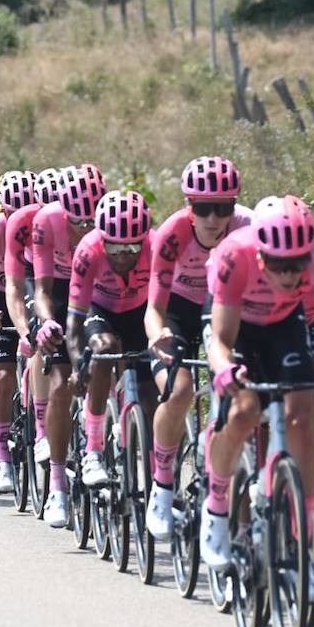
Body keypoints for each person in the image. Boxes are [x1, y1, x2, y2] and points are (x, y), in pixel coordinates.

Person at [202, 195, 314, 602]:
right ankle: (217, 509)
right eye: (279, 265)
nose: (290, 275)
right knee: (244, 410)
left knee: (301, 416)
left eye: (297, 264)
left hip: (284, 324)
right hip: (235, 324)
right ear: (261, 256)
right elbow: (219, 340)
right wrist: (224, 369)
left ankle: (302, 550)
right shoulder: (234, 254)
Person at [143, 157, 252, 538]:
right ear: (189, 206)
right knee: (179, 390)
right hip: (177, 312)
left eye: (223, 208)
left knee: (246, 393)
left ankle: (241, 515)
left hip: (224, 310)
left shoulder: (247, 228)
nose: (213, 218)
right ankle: (162, 484)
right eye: (203, 208)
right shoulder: (171, 234)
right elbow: (153, 308)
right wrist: (158, 335)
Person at [64, 190, 155, 502]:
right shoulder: (88, 251)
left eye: (132, 246)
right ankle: (93, 448)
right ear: (101, 238)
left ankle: (155, 471)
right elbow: (74, 324)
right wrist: (79, 368)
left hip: (139, 312)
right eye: (114, 247)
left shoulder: (156, 248)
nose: (123, 255)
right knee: (102, 349)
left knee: (149, 390)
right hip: (98, 311)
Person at [31, 164, 106, 526]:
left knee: (113, 356)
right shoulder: (47, 221)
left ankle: (109, 436)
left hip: (98, 291)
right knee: (61, 383)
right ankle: (58, 486)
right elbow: (41, 290)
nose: (85, 229)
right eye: (78, 222)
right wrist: (46, 322)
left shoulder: (110, 222)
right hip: (59, 292)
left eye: (92, 222)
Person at [0, 171, 39, 493]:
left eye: (28, 209)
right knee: (2, 376)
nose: (21, 219)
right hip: (2, 296)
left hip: (34, 294)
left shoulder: (43, 226)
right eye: (13, 211)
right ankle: (2, 458)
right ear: (3, 208)